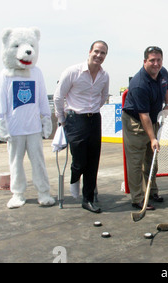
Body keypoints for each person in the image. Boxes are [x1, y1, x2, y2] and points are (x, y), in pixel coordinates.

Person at [54, 40, 110, 213]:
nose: (99, 56)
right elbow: (58, 97)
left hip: (94, 119)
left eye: (103, 53)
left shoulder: (104, 75)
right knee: (79, 160)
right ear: (90, 51)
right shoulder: (73, 72)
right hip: (75, 119)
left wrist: (92, 111)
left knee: (93, 160)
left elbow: (103, 97)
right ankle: (75, 178)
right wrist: (63, 120)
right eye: (97, 52)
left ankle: (88, 199)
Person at [122, 46, 168, 211]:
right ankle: (137, 198)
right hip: (135, 122)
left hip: (153, 119)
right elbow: (144, 116)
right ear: (145, 62)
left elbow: (166, 88)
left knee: (152, 160)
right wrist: (153, 138)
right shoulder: (139, 84)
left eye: (158, 60)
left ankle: (151, 191)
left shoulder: (163, 72)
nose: (156, 64)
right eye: (152, 60)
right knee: (136, 162)